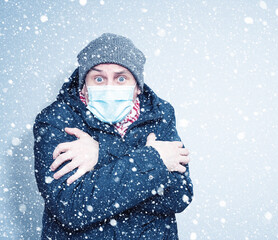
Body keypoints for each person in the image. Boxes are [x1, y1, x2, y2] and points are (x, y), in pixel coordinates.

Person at [33, 33, 193, 239]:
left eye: (121, 78)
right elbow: (71, 209)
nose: (110, 87)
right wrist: (154, 160)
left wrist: (102, 155)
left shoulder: (160, 114)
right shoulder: (56, 120)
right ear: (84, 84)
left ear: (137, 86)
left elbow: (179, 196)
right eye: (98, 78)